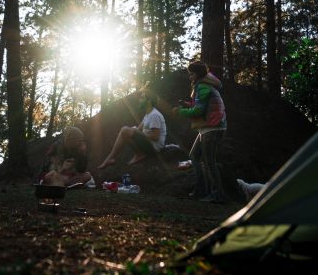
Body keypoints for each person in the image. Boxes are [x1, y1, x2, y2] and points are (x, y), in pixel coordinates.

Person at [173, 61, 227, 203]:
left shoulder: (203, 86)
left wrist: (181, 111)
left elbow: (199, 110)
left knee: (209, 162)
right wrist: (186, 105)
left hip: (213, 128)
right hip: (208, 127)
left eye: (191, 73)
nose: (190, 76)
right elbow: (200, 104)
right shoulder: (203, 85)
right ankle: (201, 190)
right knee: (195, 155)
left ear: (198, 74)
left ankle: (218, 195)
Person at [97, 88, 166, 169]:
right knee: (125, 132)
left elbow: (155, 136)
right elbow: (139, 129)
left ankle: (136, 154)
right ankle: (134, 154)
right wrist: (134, 130)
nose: (139, 100)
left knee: (125, 130)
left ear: (149, 101)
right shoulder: (148, 115)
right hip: (149, 144)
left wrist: (134, 131)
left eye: (142, 98)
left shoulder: (154, 115)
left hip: (154, 148)